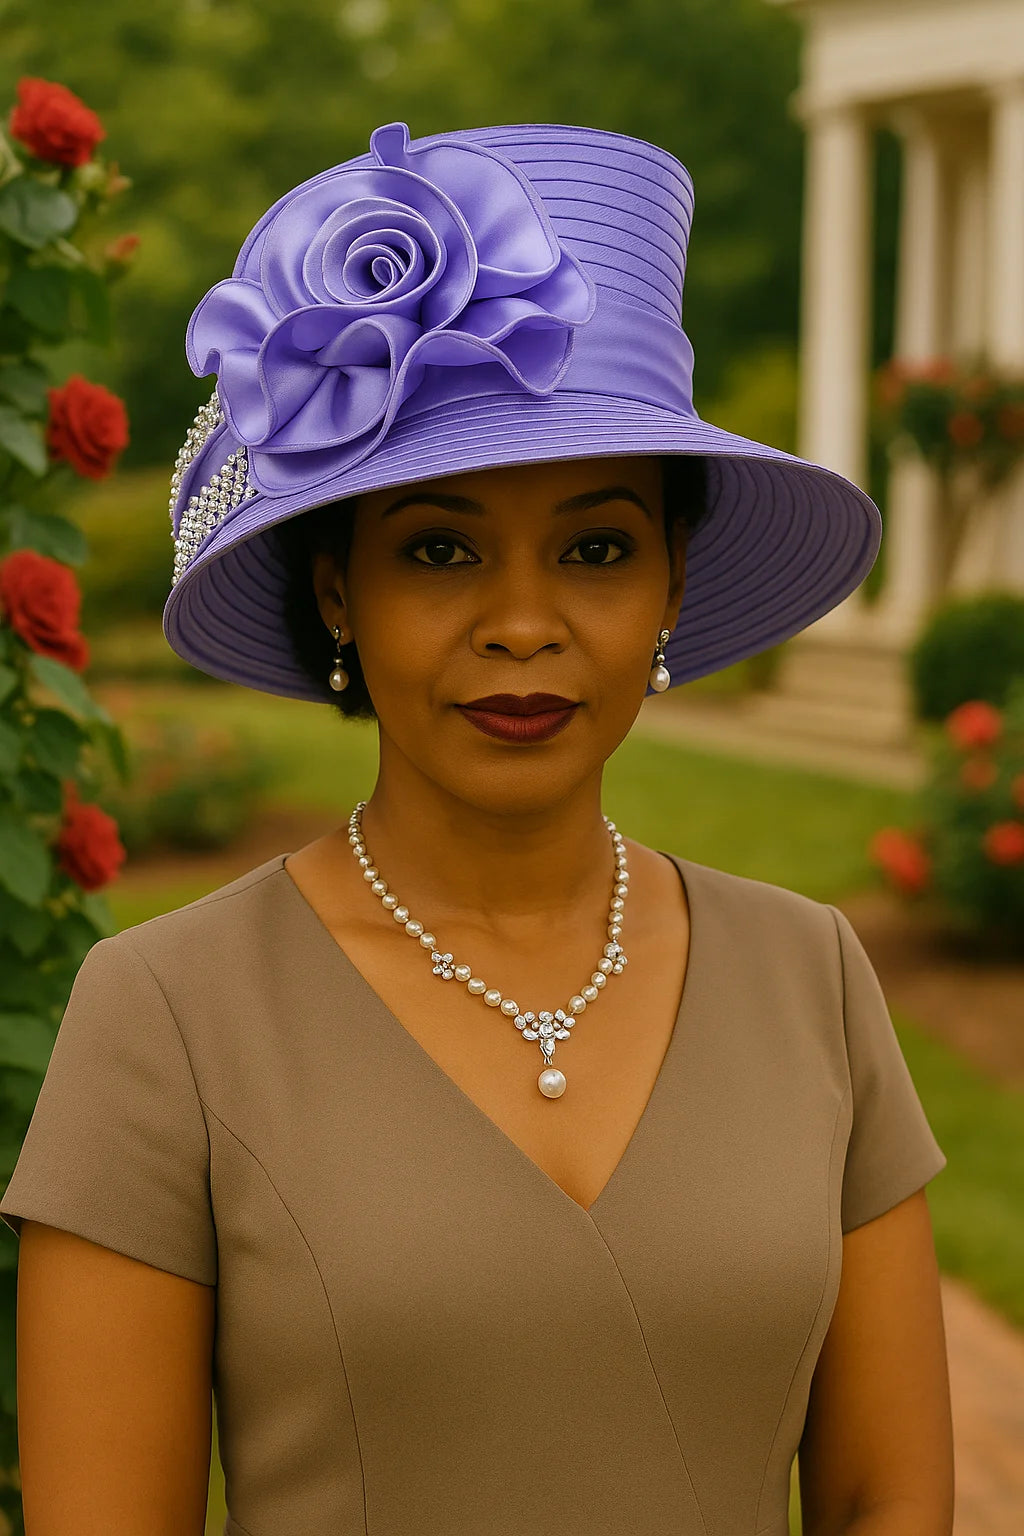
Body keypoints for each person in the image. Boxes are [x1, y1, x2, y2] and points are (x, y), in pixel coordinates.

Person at [0, 122, 953, 1535]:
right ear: (339, 591)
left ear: (674, 582)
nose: (524, 624)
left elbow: (893, 1501)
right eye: (440, 549)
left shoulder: (809, 979)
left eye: (597, 547)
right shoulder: (168, 1018)